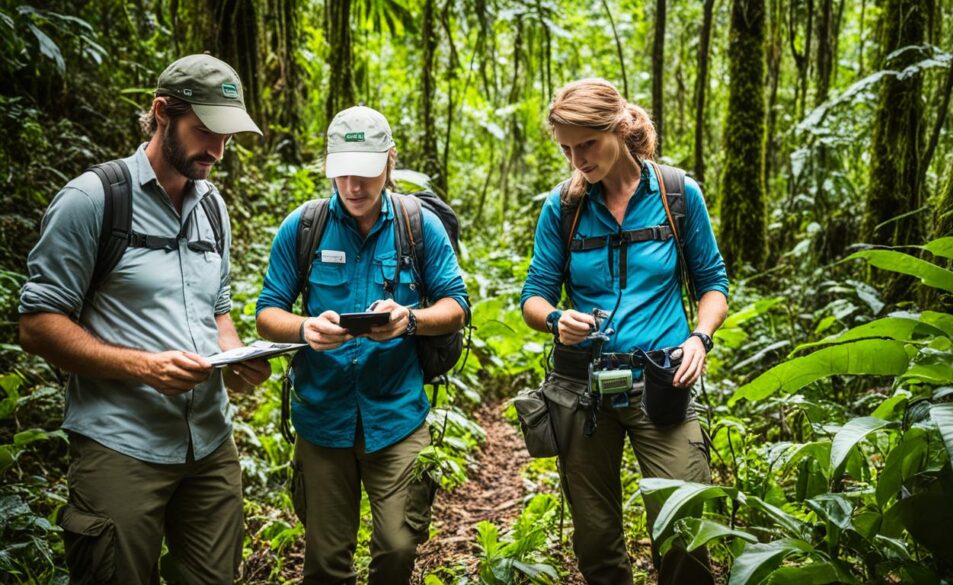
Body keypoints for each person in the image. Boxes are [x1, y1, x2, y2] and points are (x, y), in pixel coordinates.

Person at [17, 54, 271, 584]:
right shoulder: (93, 199)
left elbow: (216, 308)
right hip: (121, 444)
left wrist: (239, 356)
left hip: (209, 444)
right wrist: (144, 367)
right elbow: (38, 324)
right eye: (205, 132)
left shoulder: (212, 208)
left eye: (227, 137)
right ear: (161, 113)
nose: (218, 151)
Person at [520, 78, 729, 585]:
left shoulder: (677, 194)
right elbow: (534, 296)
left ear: (618, 128)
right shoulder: (563, 207)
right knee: (595, 538)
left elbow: (713, 284)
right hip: (582, 388)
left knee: (684, 524)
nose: (578, 160)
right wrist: (555, 319)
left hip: (664, 380)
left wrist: (698, 338)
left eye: (587, 144)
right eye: (567, 149)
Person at [255, 105, 469, 584]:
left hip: (396, 415)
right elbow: (268, 313)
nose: (353, 186)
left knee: (397, 547)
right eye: (343, 173)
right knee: (326, 561)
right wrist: (305, 328)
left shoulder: (420, 226)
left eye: (366, 173)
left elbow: (456, 307)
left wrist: (408, 320)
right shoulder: (304, 226)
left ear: (390, 161)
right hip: (322, 416)